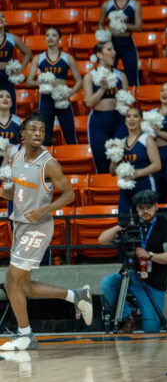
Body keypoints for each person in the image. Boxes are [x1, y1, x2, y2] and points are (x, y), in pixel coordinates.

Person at [0, 114, 94, 350]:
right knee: (23, 286)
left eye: (41, 130)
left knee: (11, 283)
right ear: (22, 134)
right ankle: (76, 297)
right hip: (20, 224)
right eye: (32, 129)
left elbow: (70, 194)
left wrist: (45, 208)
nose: (38, 134)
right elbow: (12, 193)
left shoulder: (49, 163)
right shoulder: (15, 156)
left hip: (39, 227)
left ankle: (25, 335)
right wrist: (5, 189)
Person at [97, 190, 167, 333]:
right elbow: (102, 240)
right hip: (131, 276)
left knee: (151, 329)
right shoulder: (130, 223)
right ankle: (129, 315)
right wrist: (119, 226)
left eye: (148, 207)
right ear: (136, 208)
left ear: (156, 206)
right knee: (107, 283)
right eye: (141, 208)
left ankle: (143, 313)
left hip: (154, 282)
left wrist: (149, 255)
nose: (145, 211)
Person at [24, 27, 81, 145]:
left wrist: (70, 93)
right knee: (45, 138)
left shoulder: (67, 57)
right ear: (45, 39)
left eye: (54, 35)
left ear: (59, 39)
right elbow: (29, 82)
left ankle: (72, 162)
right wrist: (44, 83)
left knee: (70, 136)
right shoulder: (38, 58)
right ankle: (46, 163)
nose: (50, 38)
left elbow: (79, 81)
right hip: (46, 100)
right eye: (48, 35)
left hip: (62, 100)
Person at [84, 41, 129, 173]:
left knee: (121, 162)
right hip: (98, 122)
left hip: (119, 121)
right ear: (99, 54)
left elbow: (126, 102)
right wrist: (103, 88)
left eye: (113, 49)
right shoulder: (89, 76)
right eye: (109, 49)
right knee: (101, 163)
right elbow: (88, 102)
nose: (113, 52)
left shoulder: (121, 75)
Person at [110, 107, 162, 220]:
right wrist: (114, 157)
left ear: (141, 120)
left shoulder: (147, 139)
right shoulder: (121, 142)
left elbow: (157, 165)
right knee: (123, 221)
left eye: (135, 116)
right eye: (128, 116)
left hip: (144, 185)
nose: (131, 119)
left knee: (146, 220)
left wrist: (137, 173)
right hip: (125, 188)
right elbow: (112, 172)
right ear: (125, 121)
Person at [97, 0, 143, 86]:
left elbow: (139, 27)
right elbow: (100, 24)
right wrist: (103, 36)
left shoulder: (135, 5)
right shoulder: (106, 5)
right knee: (108, 73)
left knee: (132, 75)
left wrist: (122, 24)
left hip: (128, 42)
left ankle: (132, 99)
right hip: (112, 43)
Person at [0, 13, 34, 115]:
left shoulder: (12, 38)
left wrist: (20, 70)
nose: (0, 19)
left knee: (9, 112)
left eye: (2, 17)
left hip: (6, 79)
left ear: (6, 22)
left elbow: (28, 52)